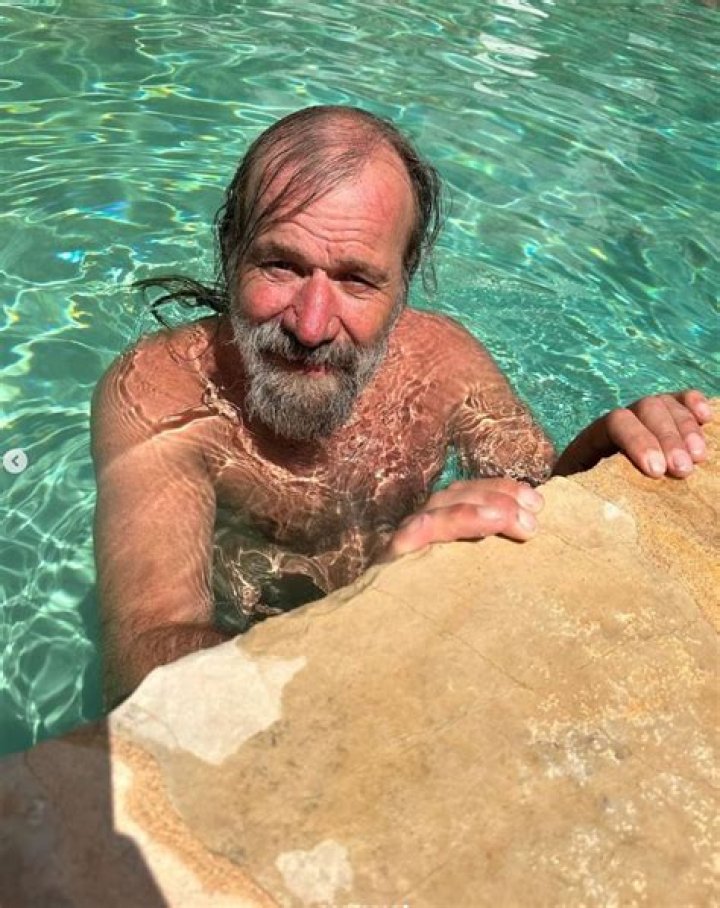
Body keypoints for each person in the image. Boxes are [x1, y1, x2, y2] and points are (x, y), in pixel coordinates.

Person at [91, 105, 713, 706]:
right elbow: (139, 667)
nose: (311, 325)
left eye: (356, 280)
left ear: (404, 278)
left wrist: (596, 456)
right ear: (231, 250)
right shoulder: (161, 392)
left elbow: (532, 509)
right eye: (281, 266)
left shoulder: (444, 363)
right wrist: (369, 611)